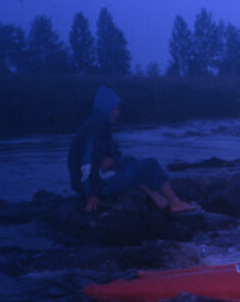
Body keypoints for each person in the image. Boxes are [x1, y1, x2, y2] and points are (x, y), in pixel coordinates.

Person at [67, 86, 199, 214]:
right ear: (107, 108)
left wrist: (114, 161)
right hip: (91, 186)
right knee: (151, 164)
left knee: (131, 161)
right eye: (116, 108)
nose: (118, 112)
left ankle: (158, 199)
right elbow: (89, 164)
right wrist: (93, 195)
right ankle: (175, 203)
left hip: (89, 182)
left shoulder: (99, 124)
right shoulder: (96, 129)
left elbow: (112, 154)